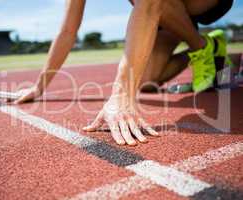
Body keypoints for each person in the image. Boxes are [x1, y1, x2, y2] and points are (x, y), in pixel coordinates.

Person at [13, 0, 233, 145]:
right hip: (167, 10)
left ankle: (200, 46)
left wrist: (121, 94)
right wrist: (39, 86)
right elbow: (67, 31)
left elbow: (149, 4)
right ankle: (212, 45)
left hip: (201, 3)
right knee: (146, 79)